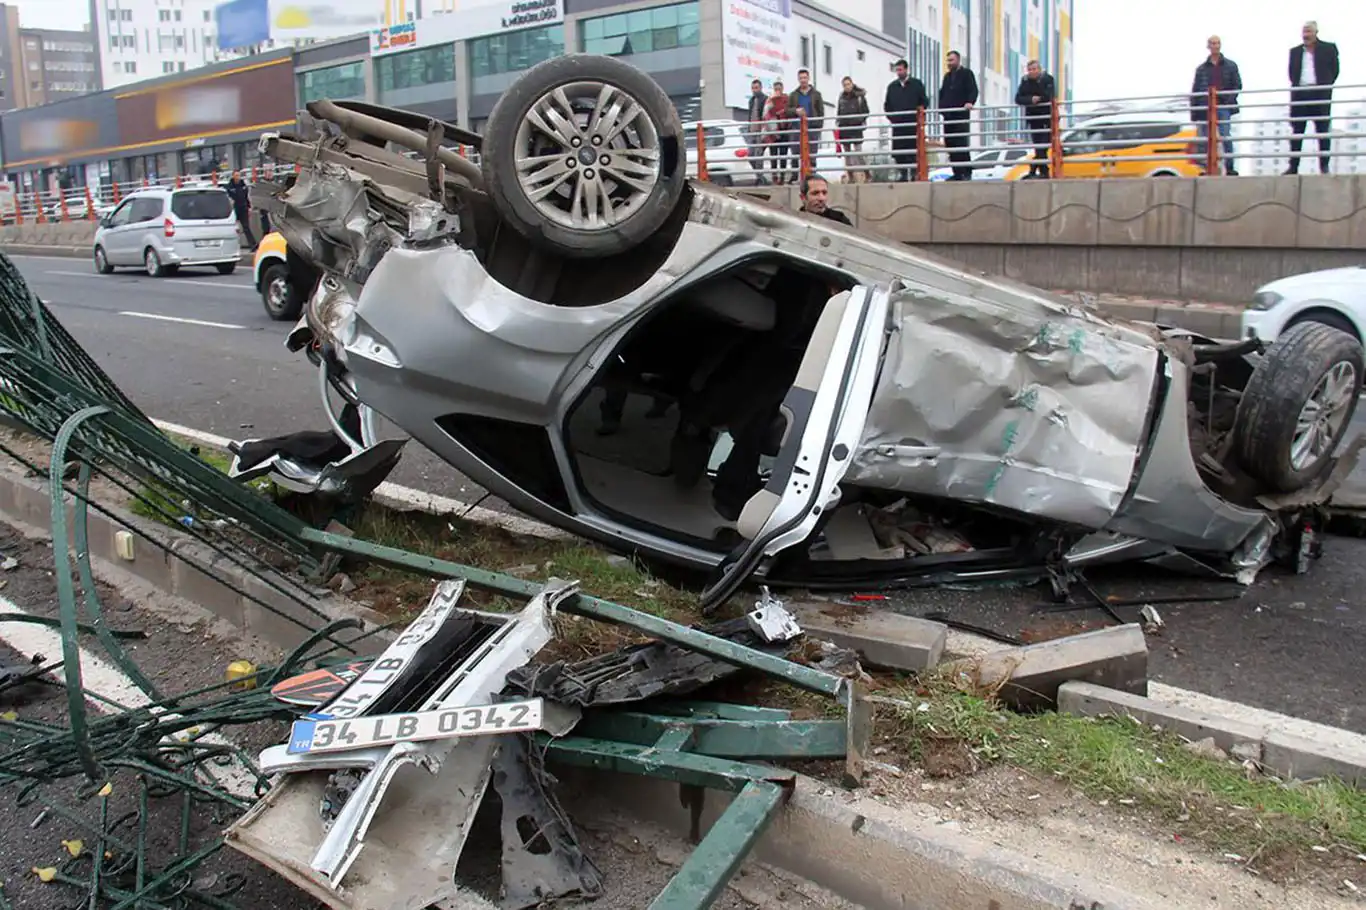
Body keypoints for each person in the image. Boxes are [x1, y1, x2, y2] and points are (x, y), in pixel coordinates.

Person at [1286, 20, 1340, 175]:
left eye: (1309, 31)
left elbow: (1335, 71)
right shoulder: (1295, 52)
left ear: (1316, 32)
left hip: (1320, 94)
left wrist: (1324, 85)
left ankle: (1324, 166)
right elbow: (1292, 74)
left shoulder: (1328, 48)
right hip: (1300, 95)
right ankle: (1293, 166)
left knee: (1322, 131)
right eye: (1304, 32)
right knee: (1297, 132)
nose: (1306, 35)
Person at [1190, 36, 1242, 176]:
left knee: (1225, 136)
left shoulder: (1231, 65)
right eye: (1212, 43)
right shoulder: (1201, 69)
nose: (1215, 46)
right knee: (1207, 139)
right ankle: (1207, 168)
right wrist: (1194, 112)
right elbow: (1195, 90)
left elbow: (1237, 85)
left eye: (1217, 43)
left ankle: (1230, 168)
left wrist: (1228, 100)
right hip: (1206, 107)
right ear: (1208, 46)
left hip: (1223, 106)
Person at [884, 59, 928, 181]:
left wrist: (919, 117)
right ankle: (903, 174)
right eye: (897, 70)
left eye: (900, 69)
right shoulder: (892, 87)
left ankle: (914, 173)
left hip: (913, 125)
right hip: (898, 126)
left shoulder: (916, 84)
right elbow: (887, 105)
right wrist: (893, 118)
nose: (898, 72)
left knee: (913, 150)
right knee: (899, 151)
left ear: (906, 69)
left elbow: (924, 102)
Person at [938, 51, 978, 182]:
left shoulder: (966, 74)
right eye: (948, 60)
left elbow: (973, 90)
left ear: (958, 60)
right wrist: (942, 108)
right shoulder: (947, 77)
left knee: (961, 143)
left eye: (952, 60)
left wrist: (970, 102)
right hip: (948, 116)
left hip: (960, 115)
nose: (949, 63)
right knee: (950, 144)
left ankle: (966, 172)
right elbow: (942, 93)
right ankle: (957, 172)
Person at [1014, 59, 1056, 179]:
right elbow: (1018, 98)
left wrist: (1039, 99)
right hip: (1033, 118)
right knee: (1038, 146)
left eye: (1034, 69)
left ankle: (1035, 169)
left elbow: (1049, 95)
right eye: (1030, 70)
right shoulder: (1025, 81)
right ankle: (1043, 172)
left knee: (1042, 146)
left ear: (1040, 69)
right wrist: (1031, 99)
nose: (1032, 72)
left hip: (1046, 117)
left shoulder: (1047, 79)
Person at [788, 69, 826, 174]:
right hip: (797, 128)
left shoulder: (816, 94)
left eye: (805, 78)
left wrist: (818, 127)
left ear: (808, 78)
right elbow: (787, 111)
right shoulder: (793, 95)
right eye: (801, 78)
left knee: (812, 153)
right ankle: (795, 176)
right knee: (795, 153)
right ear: (798, 79)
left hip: (812, 128)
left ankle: (812, 175)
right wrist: (795, 111)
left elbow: (821, 111)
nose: (803, 80)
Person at [835, 77, 870, 183]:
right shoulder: (841, 97)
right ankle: (850, 176)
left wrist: (859, 120)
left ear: (852, 84)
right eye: (845, 85)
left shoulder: (859, 97)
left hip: (856, 127)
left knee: (858, 153)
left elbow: (866, 111)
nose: (847, 87)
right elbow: (839, 112)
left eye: (848, 84)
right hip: (844, 128)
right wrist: (839, 123)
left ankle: (867, 174)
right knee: (847, 155)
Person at [762, 82, 794, 185]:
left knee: (783, 156)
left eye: (779, 88)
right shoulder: (769, 100)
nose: (777, 90)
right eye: (776, 88)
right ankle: (774, 177)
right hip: (772, 131)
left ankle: (782, 177)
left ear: (782, 88)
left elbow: (790, 112)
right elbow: (766, 115)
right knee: (774, 156)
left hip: (784, 130)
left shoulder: (787, 99)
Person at [225, 170, 256, 250]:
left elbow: (246, 197)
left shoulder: (243, 185)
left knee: (246, 227)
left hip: (243, 208)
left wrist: (249, 207)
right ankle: (232, 246)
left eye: (239, 175)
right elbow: (229, 198)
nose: (238, 177)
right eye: (236, 175)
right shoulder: (230, 186)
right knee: (234, 228)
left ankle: (253, 244)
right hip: (234, 208)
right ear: (233, 176)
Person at [745, 78, 768, 177]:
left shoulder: (765, 99)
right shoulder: (751, 100)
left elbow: (767, 115)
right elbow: (750, 115)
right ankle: (759, 176)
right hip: (752, 131)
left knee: (758, 156)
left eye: (756, 88)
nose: (754, 90)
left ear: (761, 88)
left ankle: (760, 178)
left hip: (760, 131)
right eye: (753, 88)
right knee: (750, 155)